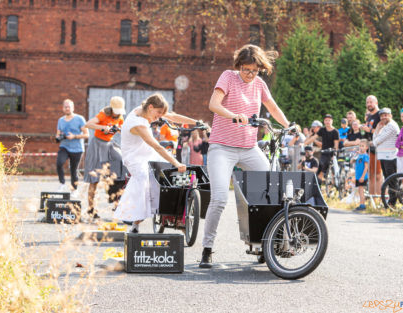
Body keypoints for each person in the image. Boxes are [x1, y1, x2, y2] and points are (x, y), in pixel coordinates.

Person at [199, 44, 289, 268]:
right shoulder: (228, 77)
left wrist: (289, 126)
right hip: (222, 147)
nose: (250, 75)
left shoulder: (259, 84)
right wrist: (233, 115)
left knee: (270, 190)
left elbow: (273, 108)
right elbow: (213, 104)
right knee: (219, 198)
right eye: (246, 69)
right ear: (239, 66)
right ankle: (207, 249)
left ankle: (264, 244)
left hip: (249, 148)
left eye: (255, 70)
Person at [113, 93, 199, 233]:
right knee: (144, 182)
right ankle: (135, 224)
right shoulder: (137, 123)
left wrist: (196, 122)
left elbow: (171, 116)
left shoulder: (144, 109)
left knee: (171, 176)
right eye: (158, 113)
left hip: (147, 153)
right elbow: (156, 146)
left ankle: (177, 217)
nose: (159, 117)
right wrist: (177, 162)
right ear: (151, 107)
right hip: (135, 158)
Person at [84, 96, 126, 218]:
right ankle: (91, 209)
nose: (118, 115)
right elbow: (88, 124)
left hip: (109, 145)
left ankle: (116, 200)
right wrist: (102, 127)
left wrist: (119, 129)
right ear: (111, 109)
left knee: (121, 163)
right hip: (97, 145)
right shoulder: (103, 115)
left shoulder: (120, 117)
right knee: (94, 179)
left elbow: (122, 129)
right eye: (116, 112)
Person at [55, 99, 89, 197]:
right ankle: (62, 183)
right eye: (65, 107)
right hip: (64, 146)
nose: (67, 108)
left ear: (73, 108)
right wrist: (58, 137)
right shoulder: (60, 120)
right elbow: (58, 134)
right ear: (63, 108)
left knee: (73, 170)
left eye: (69, 106)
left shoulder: (80, 119)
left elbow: (87, 135)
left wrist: (74, 136)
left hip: (77, 148)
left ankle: (74, 190)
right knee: (59, 163)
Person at [304, 114, 339, 183]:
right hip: (323, 153)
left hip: (332, 153)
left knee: (333, 171)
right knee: (320, 170)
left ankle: (334, 184)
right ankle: (319, 184)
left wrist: (334, 154)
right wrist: (304, 143)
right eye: (326, 120)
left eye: (329, 120)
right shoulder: (322, 130)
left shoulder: (335, 132)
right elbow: (314, 138)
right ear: (324, 121)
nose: (327, 122)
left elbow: (336, 145)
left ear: (332, 121)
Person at [360, 95, 382, 196]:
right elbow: (368, 131)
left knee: (378, 174)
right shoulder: (368, 116)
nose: (369, 104)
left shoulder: (380, 115)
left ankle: (379, 198)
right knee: (371, 174)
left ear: (376, 102)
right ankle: (372, 198)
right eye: (367, 102)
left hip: (379, 147)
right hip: (369, 147)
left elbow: (383, 131)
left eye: (371, 102)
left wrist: (370, 130)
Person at [373, 108, 399, 180]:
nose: (383, 117)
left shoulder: (391, 126)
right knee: (388, 181)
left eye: (385, 115)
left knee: (392, 181)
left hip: (390, 157)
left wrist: (377, 132)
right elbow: (374, 139)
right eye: (381, 116)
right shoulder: (385, 126)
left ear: (390, 115)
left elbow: (375, 142)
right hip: (384, 156)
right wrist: (377, 129)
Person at [354, 139, 370, 211]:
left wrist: (363, 176)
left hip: (362, 176)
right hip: (358, 176)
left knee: (361, 191)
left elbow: (366, 167)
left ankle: (362, 205)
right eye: (360, 146)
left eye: (363, 146)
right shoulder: (359, 155)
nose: (361, 147)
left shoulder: (365, 156)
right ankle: (361, 204)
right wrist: (356, 155)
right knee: (359, 191)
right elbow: (352, 161)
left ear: (366, 147)